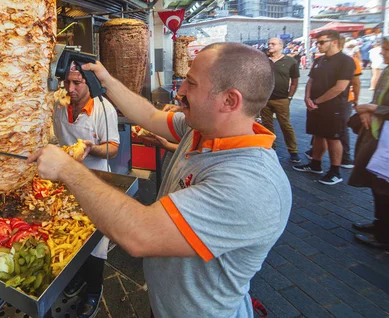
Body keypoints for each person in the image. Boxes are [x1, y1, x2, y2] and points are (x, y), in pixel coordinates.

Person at [29, 43, 292, 317]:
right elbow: (150, 115)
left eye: (191, 83)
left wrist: (67, 169)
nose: (180, 91)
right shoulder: (202, 129)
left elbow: (140, 234)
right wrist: (105, 79)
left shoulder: (250, 185)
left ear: (229, 101)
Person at [53, 63, 120, 317]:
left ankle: (94, 290)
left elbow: (113, 147)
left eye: (77, 83)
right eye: (67, 83)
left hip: (96, 180)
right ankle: (76, 278)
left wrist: (92, 149)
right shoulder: (60, 108)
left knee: (95, 242)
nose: (70, 89)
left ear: (89, 82)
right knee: (70, 235)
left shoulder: (104, 109)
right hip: (68, 180)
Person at [349, 33, 389, 252]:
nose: (382, 52)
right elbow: (378, 101)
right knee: (379, 186)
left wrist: (373, 110)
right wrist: (369, 112)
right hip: (380, 139)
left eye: (387, 49)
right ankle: (380, 225)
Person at [294, 30, 355, 185]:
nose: (318, 46)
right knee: (318, 135)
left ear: (334, 42)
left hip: (334, 107)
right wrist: (307, 98)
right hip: (315, 105)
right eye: (317, 42)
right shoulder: (319, 60)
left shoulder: (346, 61)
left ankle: (335, 171)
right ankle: (315, 164)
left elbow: (340, 87)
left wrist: (317, 101)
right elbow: (311, 81)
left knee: (333, 138)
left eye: (321, 42)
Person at [260, 38, 301, 163]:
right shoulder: (264, 61)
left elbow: (294, 81)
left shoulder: (290, 61)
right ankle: (271, 148)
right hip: (265, 99)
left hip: (282, 99)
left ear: (281, 46)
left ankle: (293, 151)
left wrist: (289, 96)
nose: (270, 45)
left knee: (285, 125)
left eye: (273, 44)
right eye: (269, 44)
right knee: (267, 126)